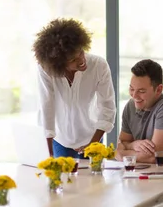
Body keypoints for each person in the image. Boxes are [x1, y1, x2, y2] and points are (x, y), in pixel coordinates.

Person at [33, 18, 116, 158]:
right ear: (58, 63)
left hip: (93, 136)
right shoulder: (46, 69)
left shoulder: (99, 65)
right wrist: (48, 154)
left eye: (81, 52)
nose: (81, 60)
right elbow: (47, 107)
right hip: (60, 139)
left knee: (94, 179)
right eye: (73, 59)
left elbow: (107, 107)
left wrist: (93, 144)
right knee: (62, 179)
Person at [116, 59, 163, 165]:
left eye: (141, 91)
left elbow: (154, 157)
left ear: (158, 90)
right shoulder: (131, 105)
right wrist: (133, 145)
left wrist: (122, 155)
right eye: (131, 89)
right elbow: (120, 144)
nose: (134, 96)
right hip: (140, 175)